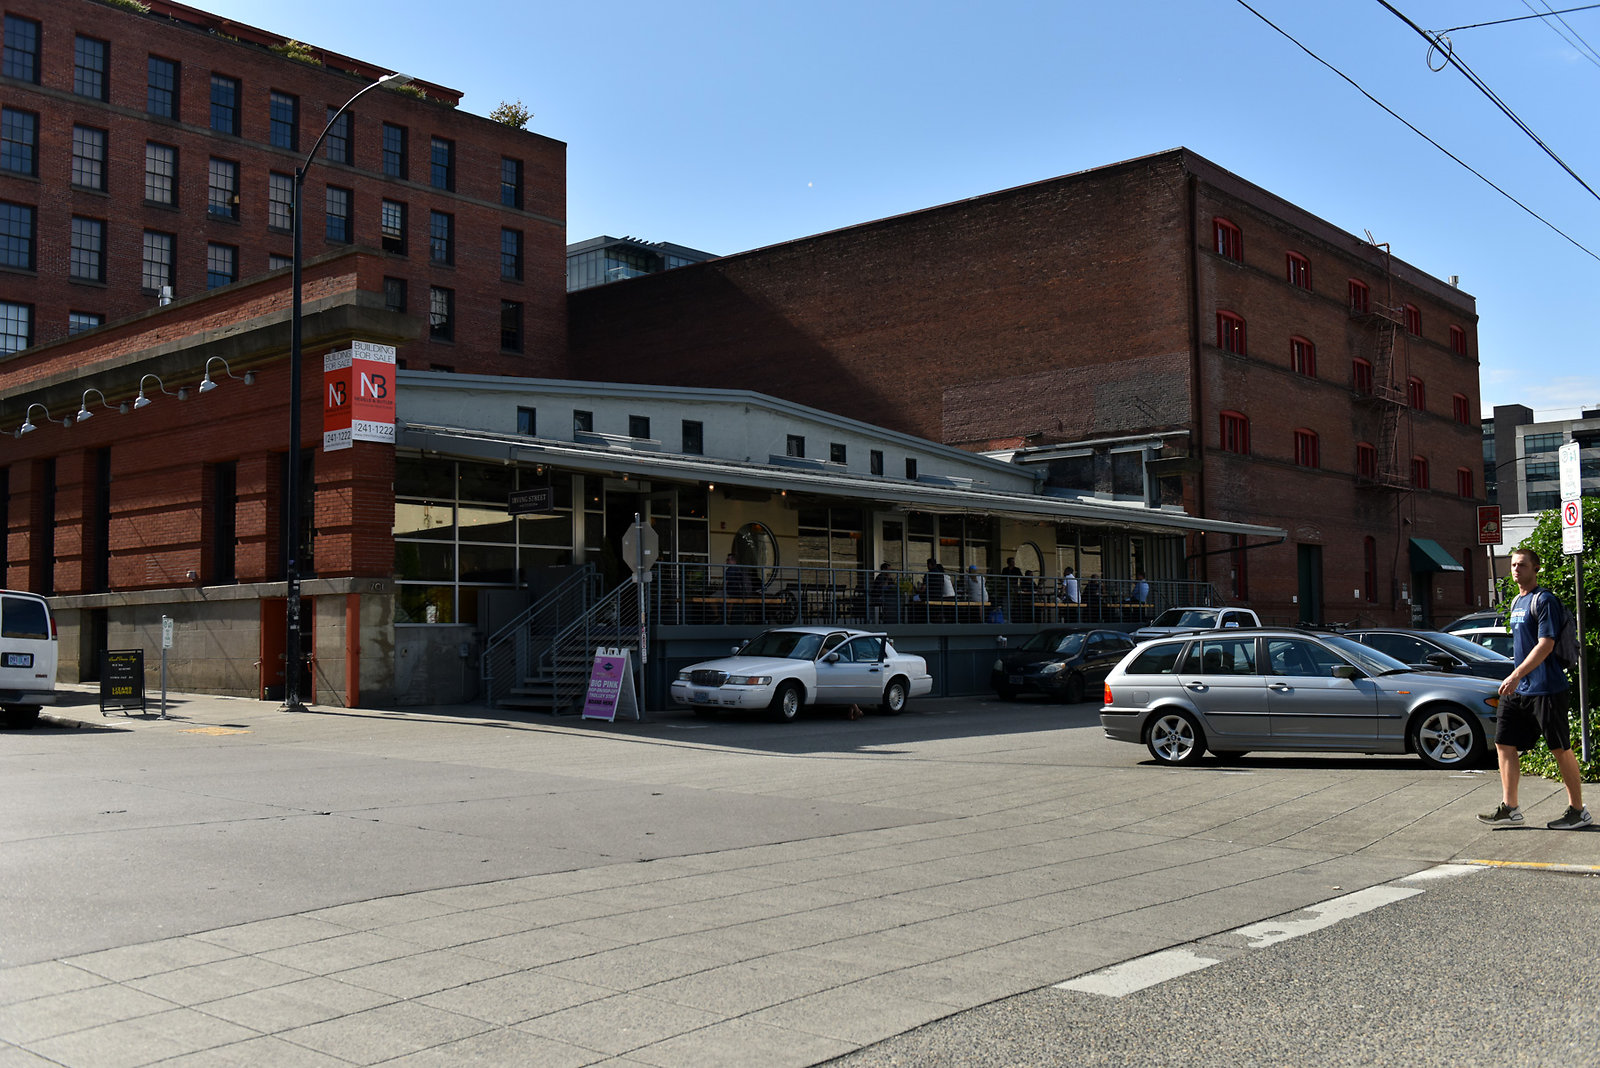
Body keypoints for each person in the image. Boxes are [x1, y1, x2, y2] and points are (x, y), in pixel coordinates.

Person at [1478, 548, 1589, 830]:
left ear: (1536, 568)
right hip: (1521, 690)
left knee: (1560, 748)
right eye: (1513, 565)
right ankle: (1510, 808)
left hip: (1547, 688)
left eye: (1522, 565)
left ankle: (1578, 811)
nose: (1516, 569)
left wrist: (1515, 675)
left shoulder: (1545, 600)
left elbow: (1546, 644)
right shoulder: (1517, 601)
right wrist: (1517, 678)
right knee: (1504, 743)